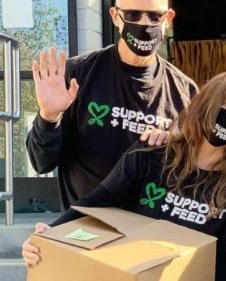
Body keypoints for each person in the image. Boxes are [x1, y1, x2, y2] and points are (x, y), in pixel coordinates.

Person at [22, 70, 226, 281]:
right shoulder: (151, 155)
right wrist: (49, 236)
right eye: (224, 104)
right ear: (206, 103)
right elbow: (97, 201)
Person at [26, 0, 198, 210]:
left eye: (155, 16)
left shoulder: (185, 92)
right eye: (133, 15)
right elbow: (41, 163)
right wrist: (48, 116)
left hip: (148, 232)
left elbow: (191, 172)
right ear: (115, 16)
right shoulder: (77, 76)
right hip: (84, 229)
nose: (145, 24)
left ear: (168, 19)